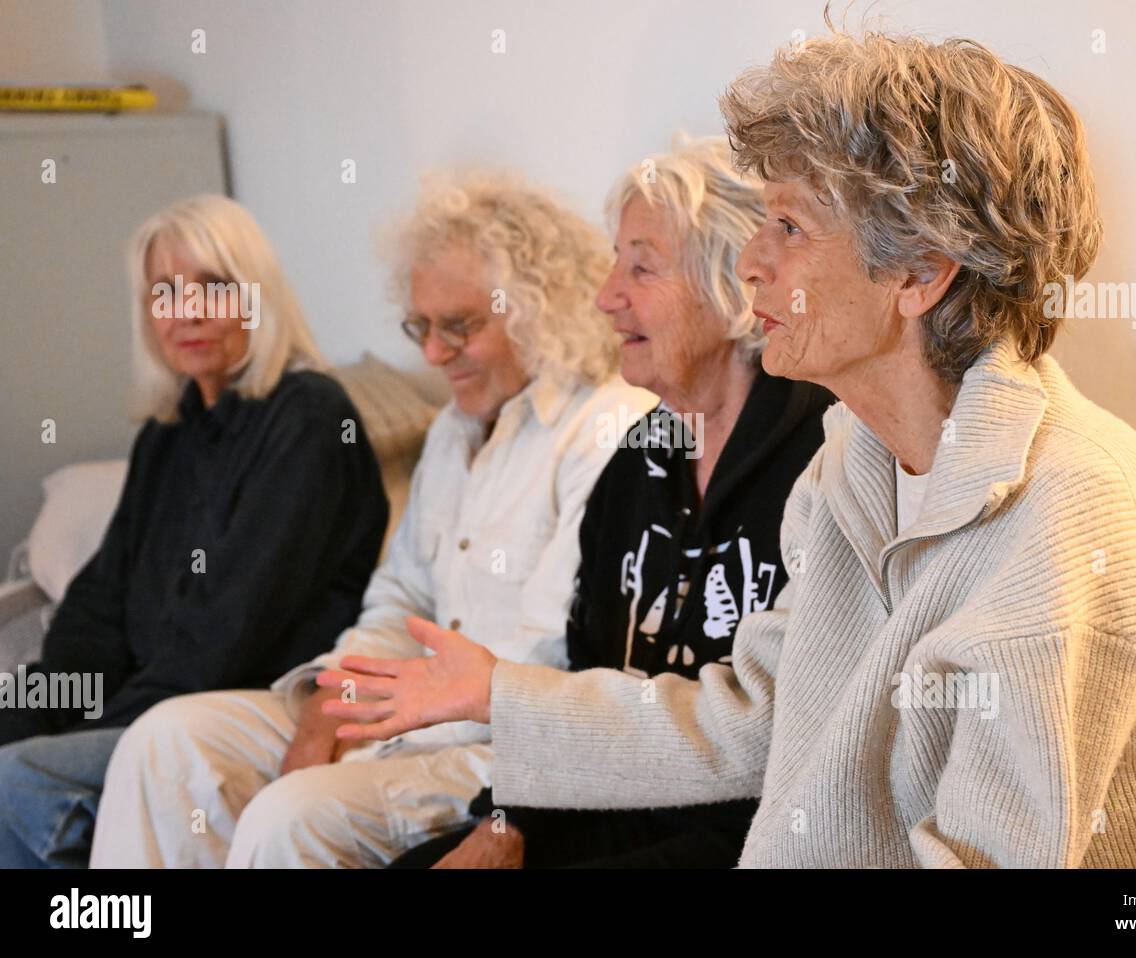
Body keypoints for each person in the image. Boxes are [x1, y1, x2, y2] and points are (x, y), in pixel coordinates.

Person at [320, 32, 1136, 868]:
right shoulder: (858, 462)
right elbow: (753, 715)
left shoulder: (1068, 519)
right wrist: (503, 698)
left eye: (790, 228)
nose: (751, 262)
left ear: (920, 273)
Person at [89, 173, 655, 868]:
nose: (433, 354)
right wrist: (337, 696)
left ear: (539, 311)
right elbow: (401, 597)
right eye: (421, 326)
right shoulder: (454, 428)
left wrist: (389, 718)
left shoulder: (604, 433)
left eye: (459, 326)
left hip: (487, 745)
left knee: (291, 816)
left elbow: (550, 655)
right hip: (392, 711)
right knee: (166, 737)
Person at [388, 137, 834, 868]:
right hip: (614, 804)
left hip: (748, 832)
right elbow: (582, 671)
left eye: (642, 266)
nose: (606, 295)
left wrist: (496, 691)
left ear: (732, 288)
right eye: (614, 260)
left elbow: (783, 742)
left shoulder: (820, 458)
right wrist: (506, 823)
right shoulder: (635, 458)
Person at [0, 194, 388, 868]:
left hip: (239, 708)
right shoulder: (168, 432)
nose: (187, 312)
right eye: (164, 292)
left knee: (19, 778)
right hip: (147, 703)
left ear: (254, 296)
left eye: (212, 286)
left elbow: (228, 633)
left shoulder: (309, 419)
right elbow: (100, 604)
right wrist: (45, 703)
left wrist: (94, 729)